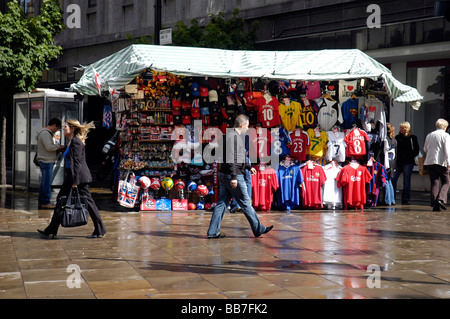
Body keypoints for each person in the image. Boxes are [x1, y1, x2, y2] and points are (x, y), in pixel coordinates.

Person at [207, 114, 273, 238]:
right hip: (233, 175)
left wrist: (249, 167)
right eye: (247, 126)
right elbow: (231, 158)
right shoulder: (234, 138)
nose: (248, 129)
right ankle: (258, 229)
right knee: (246, 202)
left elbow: (239, 156)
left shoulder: (229, 136)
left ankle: (212, 232)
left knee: (222, 203)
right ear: (242, 125)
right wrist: (234, 177)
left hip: (224, 173)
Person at [38, 119, 107, 239]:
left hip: (78, 177)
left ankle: (100, 229)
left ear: (72, 129)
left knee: (89, 203)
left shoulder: (76, 142)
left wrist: (75, 181)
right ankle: (52, 229)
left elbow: (77, 163)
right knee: (61, 200)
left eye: (65, 127)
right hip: (72, 176)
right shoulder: (71, 141)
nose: (63, 128)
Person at [36, 118, 64, 209]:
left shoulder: (43, 133)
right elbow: (49, 147)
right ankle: (45, 202)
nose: (57, 130)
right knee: (46, 183)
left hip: (45, 160)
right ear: (55, 125)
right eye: (57, 128)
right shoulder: (45, 133)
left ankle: (42, 201)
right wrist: (58, 147)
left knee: (45, 182)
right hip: (46, 161)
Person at [423, 118, 450, 211]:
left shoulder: (429, 135)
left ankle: (435, 204)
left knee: (434, 182)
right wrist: (449, 163)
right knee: (447, 181)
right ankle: (441, 199)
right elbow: (447, 150)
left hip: (430, 161)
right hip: (441, 161)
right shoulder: (446, 136)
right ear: (445, 127)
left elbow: (425, 149)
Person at [391, 121, 419, 204]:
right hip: (399, 162)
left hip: (408, 162)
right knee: (393, 178)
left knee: (406, 180)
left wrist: (409, 156)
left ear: (407, 128)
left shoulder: (412, 138)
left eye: (402, 128)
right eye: (400, 127)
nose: (401, 129)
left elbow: (416, 150)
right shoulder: (398, 137)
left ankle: (405, 198)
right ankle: (392, 197)